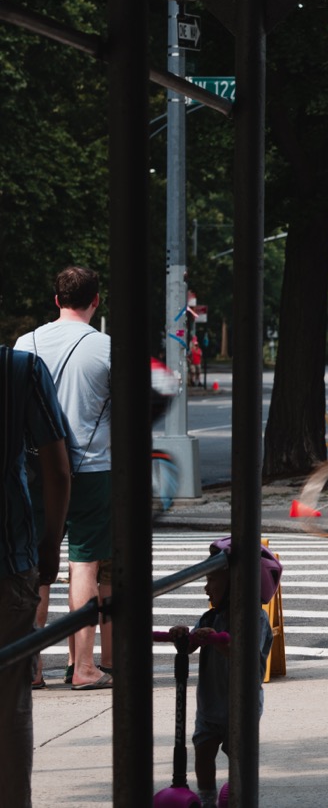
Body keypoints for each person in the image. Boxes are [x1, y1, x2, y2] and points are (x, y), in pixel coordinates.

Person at [14, 266, 115, 691]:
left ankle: (31, 666)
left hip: (34, 470)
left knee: (36, 563)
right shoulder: (108, 349)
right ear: (96, 300)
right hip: (92, 470)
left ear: (56, 300)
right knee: (84, 563)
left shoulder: (24, 344)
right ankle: (85, 668)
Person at [1, 343, 70, 807]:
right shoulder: (19, 369)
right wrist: (49, 543)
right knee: (9, 706)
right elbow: (58, 469)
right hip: (8, 557)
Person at [172, 538, 278, 808]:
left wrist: (222, 643)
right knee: (203, 753)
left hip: (241, 706)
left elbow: (245, 655)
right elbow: (190, 647)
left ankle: (236, 792)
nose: (206, 587)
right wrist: (184, 638)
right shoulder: (210, 618)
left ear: (237, 583)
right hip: (210, 705)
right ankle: (207, 799)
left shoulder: (256, 619)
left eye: (211, 580)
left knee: (238, 755)